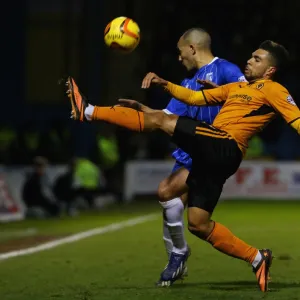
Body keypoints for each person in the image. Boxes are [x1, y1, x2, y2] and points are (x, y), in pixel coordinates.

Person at [65, 40, 295, 292]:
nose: (250, 60)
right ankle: (257, 258)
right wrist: (165, 85)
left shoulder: (274, 89)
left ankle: (87, 111)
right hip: (215, 157)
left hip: (225, 145)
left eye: (257, 59)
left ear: (270, 70)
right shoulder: (237, 88)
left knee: (162, 120)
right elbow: (194, 97)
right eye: (251, 56)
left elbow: (296, 120)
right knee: (198, 223)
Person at [141, 28, 246, 286]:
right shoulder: (187, 83)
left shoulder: (225, 70)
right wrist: (134, 111)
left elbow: (248, 98)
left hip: (212, 148)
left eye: (180, 52)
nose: (179, 58)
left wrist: (220, 96)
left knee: (166, 191)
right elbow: (164, 116)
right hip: (191, 150)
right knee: (177, 207)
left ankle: (177, 255)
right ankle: (177, 259)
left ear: (192, 48)